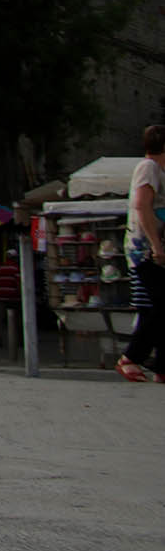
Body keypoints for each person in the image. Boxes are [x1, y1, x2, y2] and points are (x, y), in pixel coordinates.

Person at [115, 124, 165, 382]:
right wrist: (156, 246)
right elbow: (142, 206)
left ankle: (161, 366)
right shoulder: (149, 168)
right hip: (144, 250)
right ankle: (131, 357)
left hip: (148, 249)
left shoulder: (156, 170)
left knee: (154, 307)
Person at [0, 247, 22, 347]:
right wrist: (19, 294)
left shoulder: (0, 268)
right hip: (13, 297)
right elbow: (19, 283)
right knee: (17, 318)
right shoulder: (16, 268)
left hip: (0, 296)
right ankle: (20, 340)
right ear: (15, 258)